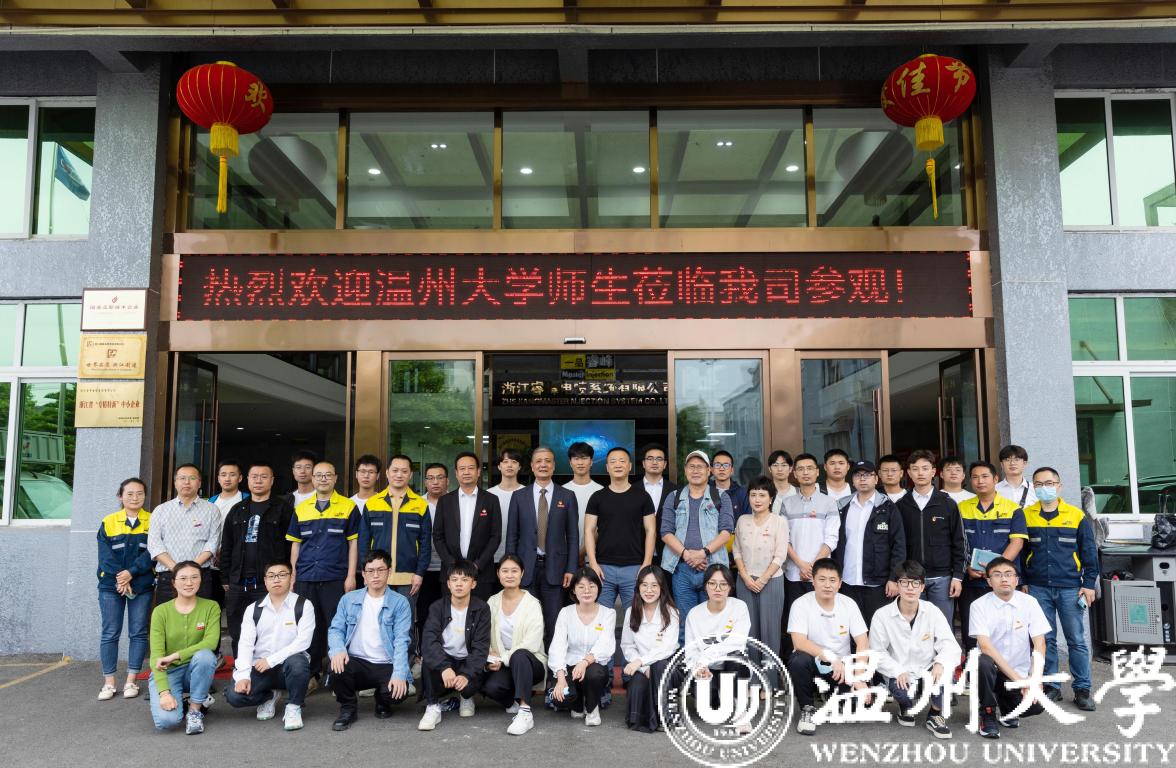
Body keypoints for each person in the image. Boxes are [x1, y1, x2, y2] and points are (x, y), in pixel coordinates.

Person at [1021, 467, 1098, 711]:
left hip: (1070, 588)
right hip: (1037, 587)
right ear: (1033, 487)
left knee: (1076, 640)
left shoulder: (1076, 515)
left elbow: (1089, 552)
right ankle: (1051, 685)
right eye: (1039, 484)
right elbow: (1022, 553)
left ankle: (1082, 689)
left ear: (1059, 486)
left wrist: (1089, 584)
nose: (1044, 487)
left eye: (1049, 483)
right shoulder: (1025, 515)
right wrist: (1023, 582)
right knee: (1046, 639)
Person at [868, 560, 959, 739]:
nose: (910, 588)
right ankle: (905, 707)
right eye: (904, 582)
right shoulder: (882, 615)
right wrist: (897, 670)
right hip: (900, 673)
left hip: (927, 671)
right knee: (903, 694)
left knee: (944, 671)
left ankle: (935, 714)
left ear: (922, 587)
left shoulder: (932, 611)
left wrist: (940, 663)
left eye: (915, 583)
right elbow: (877, 652)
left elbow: (950, 644)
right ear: (897, 585)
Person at [287, 460, 360, 679]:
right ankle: (312, 674)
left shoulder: (348, 506)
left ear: (335, 478)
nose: (323, 479)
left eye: (328, 475)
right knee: (310, 626)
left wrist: (351, 576)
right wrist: (293, 575)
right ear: (313, 478)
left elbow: (353, 544)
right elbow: (296, 545)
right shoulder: (301, 508)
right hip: (306, 577)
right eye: (319, 475)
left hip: (335, 577)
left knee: (337, 624)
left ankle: (338, 674)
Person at [326, 550, 413, 731]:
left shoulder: (400, 602)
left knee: (397, 693)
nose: (376, 575)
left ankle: (382, 700)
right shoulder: (348, 599)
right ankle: (348, 708)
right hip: (357, 662)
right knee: (335, 666)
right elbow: (335, 630)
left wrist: (399, 674)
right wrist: (338, 650)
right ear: (364, 574)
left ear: (389, 572)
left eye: (381, 570)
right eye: (370, 571)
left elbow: (402, 640)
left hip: (386, 663)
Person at [358, 453, 432, 661]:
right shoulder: (372, 503)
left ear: (410, 475)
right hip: (378, 576)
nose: (399, 475)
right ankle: (380, 665)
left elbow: (425, 544)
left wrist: (419, 573)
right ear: (387, 473)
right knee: (378, 620)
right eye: (395, 470)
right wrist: (366, 572)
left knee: (405, 623)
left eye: (404, 471)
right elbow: (364, 542)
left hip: (409, 578)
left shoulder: (420, 504)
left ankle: (405, 665)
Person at [225, 558, 313, 731]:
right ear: (265, 581)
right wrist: (243, 675)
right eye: (271, 576)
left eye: (282, 575)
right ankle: (269, 696)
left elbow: (303, 642)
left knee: (298, 663)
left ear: (291, 578)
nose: (276, 579)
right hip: (261, 668)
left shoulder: (303, 605)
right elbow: (245, 644)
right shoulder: (253, 609)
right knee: (234, 696)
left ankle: (293, 706)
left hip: (288, 667)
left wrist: (271, 660)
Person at [786, 558, 870, 736]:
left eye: (832, 580)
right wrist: (831, 658)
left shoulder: (848, 604)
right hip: (813, 662)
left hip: (841, 669)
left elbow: (862, 641)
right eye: (822, 579)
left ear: (840, 583)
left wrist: (858, 676)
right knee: (798, 660)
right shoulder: (801, 604)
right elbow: (799, 642)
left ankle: (833, 694)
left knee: (857, 705)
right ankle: (807, 709)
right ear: (813, 581)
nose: (827, 585)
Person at [969, 557, 1050, 738]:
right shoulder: (978, 606)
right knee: (983, 661)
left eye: (1008, 574)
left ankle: (1007, 710)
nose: (1004, 579)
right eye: (997, 575)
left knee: (1036, 706)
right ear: (989, 581)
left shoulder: (1029, 602)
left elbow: (1040, 643)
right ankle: (987, 712)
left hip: (1017, 672)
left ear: (1016, 579)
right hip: (989, 670)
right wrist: (1020, 682)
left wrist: (1034, 678)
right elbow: (985, 647)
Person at [506, 446, 579, 646]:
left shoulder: (567, 496)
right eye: (538, 461)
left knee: (554, 622)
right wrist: (511, 569)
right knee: (527, 622)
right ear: (532, 466)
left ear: (554, 466)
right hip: (525, 568)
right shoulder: (519, 496)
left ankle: (553, 663)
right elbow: (512, 535)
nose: (543, 465)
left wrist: (571, 569)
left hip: (556, 569)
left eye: (548, 461)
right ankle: (530, 661)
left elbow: (573, 536)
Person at [659, 450, 734, 644]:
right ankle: (688, 661)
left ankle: (712, 661)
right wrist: (687, 555)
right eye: (691, 466)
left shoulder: (720, 497)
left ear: (709, 471)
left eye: (700, 466)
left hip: (712, 568)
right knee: (686, 621)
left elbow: (726, 531)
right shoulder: (674, 497)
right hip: (682, 569)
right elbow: (665, 531)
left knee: (713, 622)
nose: (695, 470)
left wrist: (703, 553)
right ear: (685, 470)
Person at [221, 461, 294, 657]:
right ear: (247, 480)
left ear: (272, 480)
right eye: (254, 477)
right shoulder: (237, 510)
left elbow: (291, 546)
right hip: (239, 582)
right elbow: (227, 545)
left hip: (268, 582)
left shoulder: (283, 509)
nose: (258, 481)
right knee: (238, 631)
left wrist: (288, 576)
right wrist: (226, 578)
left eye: (263, 477)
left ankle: (266, 670)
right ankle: (241, 670)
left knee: (269, 630)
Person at [956, 461, 1028, 651]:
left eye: (985, 476)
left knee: (1005, 631)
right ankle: (973, 668)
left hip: (1002, 582)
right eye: (975, 477)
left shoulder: (1013, 509)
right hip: (971, 581)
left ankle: (1005, 669)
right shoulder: (961, 508)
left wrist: (995, 571)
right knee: (972, 632)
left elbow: (1017, 543)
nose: (980, 481)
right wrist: (966, 567)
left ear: (996, 479)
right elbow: (957, 543)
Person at [97, 477, 154, 701]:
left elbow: (152, 552)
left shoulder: (153, 520)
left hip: (141, 584)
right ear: (120, 496)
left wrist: (131, 572)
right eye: (129, 493)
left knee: (138, 632)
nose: (135, 497)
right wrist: (121, 578)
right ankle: (109, 683)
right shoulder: (109, 521)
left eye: (139, 493)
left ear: (145, 496)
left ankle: (132, 680)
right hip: (111, 585)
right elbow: (105, 557)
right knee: (110, 632)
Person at [147, 561, 221, 734]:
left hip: (195, 668)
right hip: (168, 671)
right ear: (174, 582)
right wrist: (165, 693)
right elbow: (156, 656)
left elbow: (210, 643)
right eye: (183, 578)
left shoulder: (211, 607)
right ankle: (194, 698)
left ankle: (195, 710)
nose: (189, 583)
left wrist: (175, 655)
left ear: (201, 580)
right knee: (167, 722)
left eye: (194, 577)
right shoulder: (160, 611)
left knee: (206, 656)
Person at [418, 559, 491, 730]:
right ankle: (433, 706)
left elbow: (481, 647)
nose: (459, 584)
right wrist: (444, 667)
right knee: (429, 659)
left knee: (470, 685)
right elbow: (429, 641)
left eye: (465, 580)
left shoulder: (482, 609)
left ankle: (466, 697)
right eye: (455, 579)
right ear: (448, 583)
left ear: (473, 584)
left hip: (467, 660)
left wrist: (466, 674)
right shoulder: (437, 607)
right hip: (446, 660)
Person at [895, 449, 966, 624]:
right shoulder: (901, 505)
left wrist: (958, 576)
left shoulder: (947, 503)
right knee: (913, 627)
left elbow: (959, 542)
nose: (920, 473)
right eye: (915, 469)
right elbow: (896, 544)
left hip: (942, 578)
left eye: (925, 468)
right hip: (911, 579)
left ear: (933, 472)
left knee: (942, 627)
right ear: (909, 473)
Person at [832, 460, 905, 627]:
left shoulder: (888, 507)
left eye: (867, 475)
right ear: (852, 480)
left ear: (876, 479)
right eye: (858, 475)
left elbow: (899, 546)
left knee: (877, 629)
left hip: (877, 583)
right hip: (847, 581)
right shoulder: (842, 506)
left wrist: (894, 578)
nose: (862, 479)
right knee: (849, 629)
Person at [781, 453, 840, 655]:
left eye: (809, 468)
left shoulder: (829, 503)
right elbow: (784, 539)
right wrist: (801, 564)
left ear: (817, 472)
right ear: (794, 474)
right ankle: (796, 664)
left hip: (821, 575)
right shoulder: (787, 503)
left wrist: (813, 566)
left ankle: (826, 661)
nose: (805, 472)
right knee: (795, 621)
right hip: (794, 574)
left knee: (822, 621)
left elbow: (831, 539)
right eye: (801, 469)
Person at [682, 564, 753, 731]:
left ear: (730, 587)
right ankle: (721, 695)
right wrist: (699, 667)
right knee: (709, 707)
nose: (718, 589)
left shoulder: (739, 607)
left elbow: (737, 641)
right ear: (705, 586)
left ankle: (741, 712)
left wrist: (705, 657)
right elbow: (690, 651)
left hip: (732, 667)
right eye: (712, 583)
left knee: (736, 657)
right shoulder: (694, 614)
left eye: (723, 584)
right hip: (708, 670)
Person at [585, 446, 656, 613]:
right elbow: (589, 530)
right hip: (603, 567)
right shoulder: (597, 497)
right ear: (607, 467)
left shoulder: (643, 497)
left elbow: (651, 531)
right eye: (613, 461)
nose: (618, 465)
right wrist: (593, 563)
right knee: (600, 617)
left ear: (629, 466)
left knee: (636, 616)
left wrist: (646, 563)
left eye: (622, 461)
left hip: (634, 567)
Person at [484, 555, 547, 736]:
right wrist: (489, 656)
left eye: (514, 571)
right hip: (503, 662)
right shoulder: (492, 602)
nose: (509, 575)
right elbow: (483, 635)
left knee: (520, 654)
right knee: (491, 687)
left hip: (531, 662)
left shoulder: (532, 604)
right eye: (505, 571)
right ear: (498, 574)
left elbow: (531, 643)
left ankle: (525, 712)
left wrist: (502, 659)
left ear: (522, 573)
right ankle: (512, 703)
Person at [732, 476, 787, 677]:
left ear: (771, 498)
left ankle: (769, 682)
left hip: (771, 582)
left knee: (770, 633)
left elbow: (780, 555)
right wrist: (745, 577)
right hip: (745, 581)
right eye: (753, 494)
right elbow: (736, 550)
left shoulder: (779, 522)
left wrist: (762, 579)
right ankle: (753, 680)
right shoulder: (742, 520)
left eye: (762, 495)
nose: (757, 499)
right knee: (749, 633)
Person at [147, 464, 223, 605]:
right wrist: (176, 569)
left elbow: (213, 543)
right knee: (168, 618)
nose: (187, 482)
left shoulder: (212, 510)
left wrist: (191, 569)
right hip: (169, 576)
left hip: (200, 575)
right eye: (182, 478)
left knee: (201, 617)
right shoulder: (161, 510)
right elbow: (154, 544)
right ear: (175, 482)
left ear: (199, 483)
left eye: (192, 478)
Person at [548, 568, 615, 726]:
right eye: (581, 586)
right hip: (570, 667)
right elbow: (557, 645)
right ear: (573, 590)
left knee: (594, 674)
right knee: (561, 698)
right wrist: (561, 678)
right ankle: (577, 704)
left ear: (598, 588)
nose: (587, 591)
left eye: (592, 586)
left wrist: (585, 662)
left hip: (593, 666)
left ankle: (592, 708)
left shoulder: (608, 613)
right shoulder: (565, 613)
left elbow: (605, 644)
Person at [433, 451, 502, 601]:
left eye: (471, 468)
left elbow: (495, 536)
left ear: (478, 471)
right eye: (462, 469)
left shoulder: (491, 500)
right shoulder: (445, 501)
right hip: (451, 573)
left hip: (482, 573)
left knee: (480, 613)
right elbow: (438, 536)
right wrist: (452, 564)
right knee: (451, 613)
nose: (466, 472)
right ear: (456, 473)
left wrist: (478, 564)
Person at [621, 566, 679, 733]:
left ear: (662, 588)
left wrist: (642, 662)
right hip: (642, 668)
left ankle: (667, 715)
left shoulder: (672, 613)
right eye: (644, 585)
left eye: (654, 585)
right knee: (637, 687)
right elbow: (627, 645)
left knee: (660, 666)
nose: (649, 590)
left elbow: (667, 648)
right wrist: (644, 668)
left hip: (666, 668)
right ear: (638, 587)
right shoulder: (631, 612)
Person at [417, 462, 449, 647]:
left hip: (449, 568)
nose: (435, 482)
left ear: (447, 480)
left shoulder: (455, 501)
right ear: (425, 482)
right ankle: (424, 652)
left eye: (439, 477)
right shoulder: (417, 504)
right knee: (425, 612)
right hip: (424, 569)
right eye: (430, 478)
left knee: (448, 612)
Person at [488, 448, 525, 585]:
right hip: (492, 556)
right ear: (499, 466)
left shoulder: (528, 493)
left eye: (514, 462)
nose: (509, 465)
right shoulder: (489, 495)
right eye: (505, 461)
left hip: (520, 557)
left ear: (519, 466)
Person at [640, 443, 677, 566]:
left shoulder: (676, 491)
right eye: (650, 458)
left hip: (668, 553)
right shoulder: (632, 489)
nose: (654, 462)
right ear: (643, 463)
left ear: (665, 464)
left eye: (659, 459)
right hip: (638, 553)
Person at [563, 441, 602, 555]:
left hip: (595, 557)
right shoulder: (561, 491)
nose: (580, 463)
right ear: (570, 462)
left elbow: (603, 526)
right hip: (566, 555)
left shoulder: (600, 491)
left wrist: (582, 553)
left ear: (591, 461)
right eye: (576, 458)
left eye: (584, 458)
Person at [711, 449, 749, 521]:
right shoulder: (705, 491)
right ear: (712, 470)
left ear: (732, 470)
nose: (721, 468)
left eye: (726, 465)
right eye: (717, 465)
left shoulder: (742, 494)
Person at [996, 444, 1037, 509]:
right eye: (1007, 460)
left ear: (1024, 463)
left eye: (1017, 459)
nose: (1012, 463)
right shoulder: (994, 490)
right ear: (1002, 464)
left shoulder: (1035, 490)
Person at [350, 454, 382, 518]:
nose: (366, 476)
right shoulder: (349, 503)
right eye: (362, 471)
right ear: (356, 474)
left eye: (371, 472)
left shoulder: (383, 502)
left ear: (378, 476)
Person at [767, 450, 796, 515]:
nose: (779, 469)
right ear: (770, 469)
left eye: (784, 465)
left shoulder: (798, 492)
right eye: (775, 465)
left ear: (790, 469)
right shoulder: (763, 493)